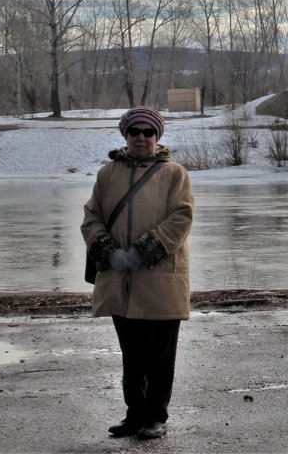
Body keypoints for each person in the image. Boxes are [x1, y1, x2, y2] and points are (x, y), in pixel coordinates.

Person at [81, 106, 194, 441]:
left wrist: (143, 250)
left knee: (159, 356)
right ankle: (134, 415)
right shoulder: (107, 174)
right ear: (125, 135)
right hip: (120, 281)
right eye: (135, 132)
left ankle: (155, 417)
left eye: (148, 132)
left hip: (161, 281)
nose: (141, 138)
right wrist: (108, 251)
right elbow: (92, 217)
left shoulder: (175, 173)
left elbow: (181, 218)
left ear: (158, 136)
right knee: (132, 356)